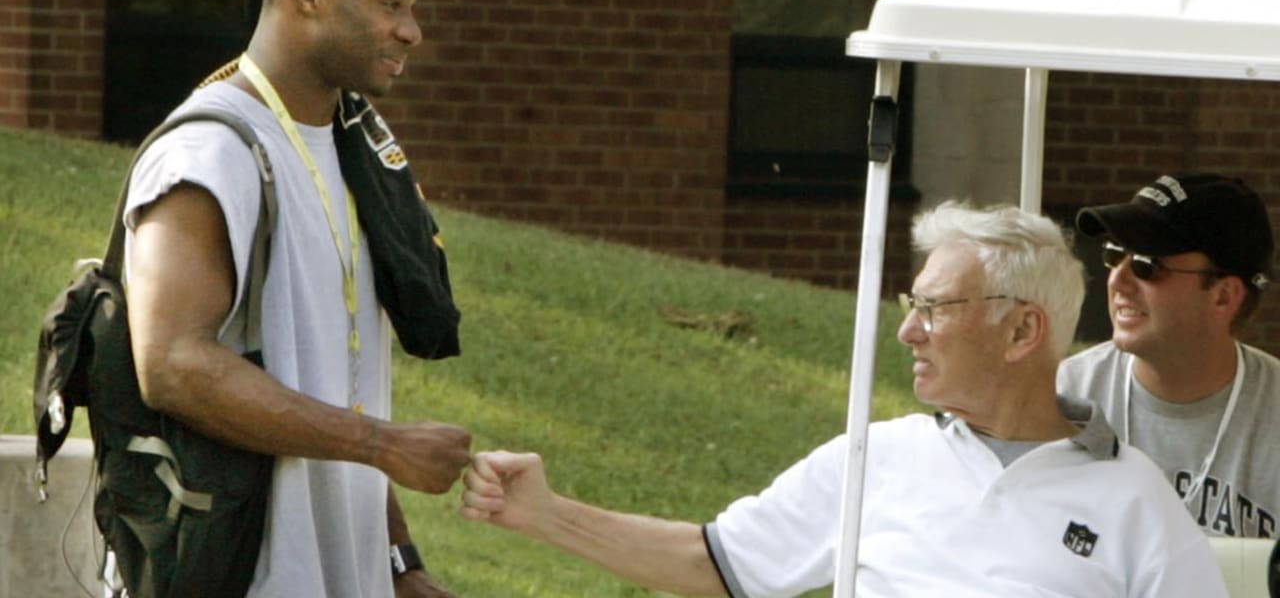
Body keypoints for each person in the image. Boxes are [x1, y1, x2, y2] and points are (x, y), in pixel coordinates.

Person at [461, 202, 1226, 597]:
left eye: (935, 308)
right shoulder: (880, 457)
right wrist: (545, 512)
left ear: (1023, 329)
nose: (909, 333)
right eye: (910, 303)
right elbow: (720, 564)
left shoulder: (1131, 498)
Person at [123, 0, 470, 597]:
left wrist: (400, 564)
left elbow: (334, 381)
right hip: (231, 573)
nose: (412, 32)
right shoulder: (210, 150)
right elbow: (174, 365)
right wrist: (385, 445)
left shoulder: (355, 152)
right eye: (390, 3)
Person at [1059, 172, 1280, 539]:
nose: (1118, 280)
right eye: (1115, 255)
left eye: (1147, 264)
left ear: (1223, 296)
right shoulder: (1061, 399)